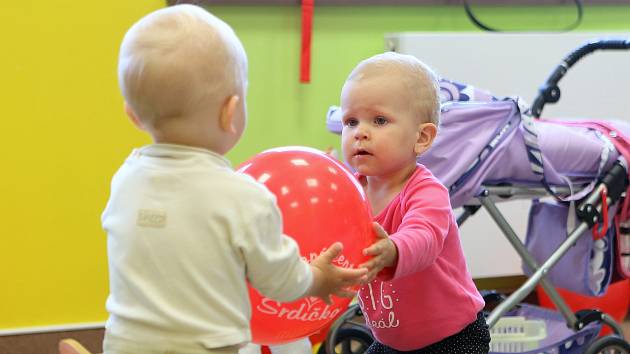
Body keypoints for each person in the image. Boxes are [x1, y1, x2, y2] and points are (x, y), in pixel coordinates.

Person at [101, 5, 368, 354]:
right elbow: (282, 282)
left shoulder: (125, 179)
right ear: (231, 112)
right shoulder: (243, 196)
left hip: (125, 344)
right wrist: (319, 279)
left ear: (132, 115)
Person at [339, 52, 491, 353]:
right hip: (390, 340)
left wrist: (394, 249)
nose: (361, 133)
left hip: (453, 338)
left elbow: (424, 236)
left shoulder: (425, 191)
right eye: (351, 121)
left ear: (421, 138)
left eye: (379, 120)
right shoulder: (349, 192)